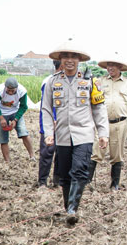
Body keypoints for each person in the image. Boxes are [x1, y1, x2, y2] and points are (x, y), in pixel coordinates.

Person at [41, 40, 109, 224]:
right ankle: (67, 206)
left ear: (79, 59)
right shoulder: (52, 82)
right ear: (60, 59)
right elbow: (46, 109)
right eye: (66, 57)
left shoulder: (90, 81)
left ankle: (72, 209)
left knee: (79, 171)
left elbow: (99, 108)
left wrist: (103, 133)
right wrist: (48, 132)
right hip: (62, 135)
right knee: (64, 174)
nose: (69, 60)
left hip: (84, 134)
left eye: (73, 57)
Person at [88, 54, 127, 190]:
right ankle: (87, 182)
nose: (110, 68)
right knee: (96, 151)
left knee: (117, 154)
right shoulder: (99, 82)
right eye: (108, 65)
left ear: (120, 67)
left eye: (113, 65)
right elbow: (92, 102)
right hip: (101, 124)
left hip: (120, 123)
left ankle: (115, 185)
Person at [0, 77, 35, 163]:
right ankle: (7, 161)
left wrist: (16, 120)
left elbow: (23, 106)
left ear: (17, 88)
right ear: (5, 87)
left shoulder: (22, 91)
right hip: (2, 112)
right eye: (9, 90)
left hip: (16, 111)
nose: (11, 92)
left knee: (23, 132)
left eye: (13, 90)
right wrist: (1, 118)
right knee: (3, 138)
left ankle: (32, 156)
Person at [38, 60, 62, 188]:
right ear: (61, 65)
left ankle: (57, 181)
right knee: (47, 152)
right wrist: (53, 118)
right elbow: (47, 104)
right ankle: (42, 182)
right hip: (49, 123)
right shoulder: (49, 81)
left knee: (61, 153)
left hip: (63, 124)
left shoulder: (69, 81)